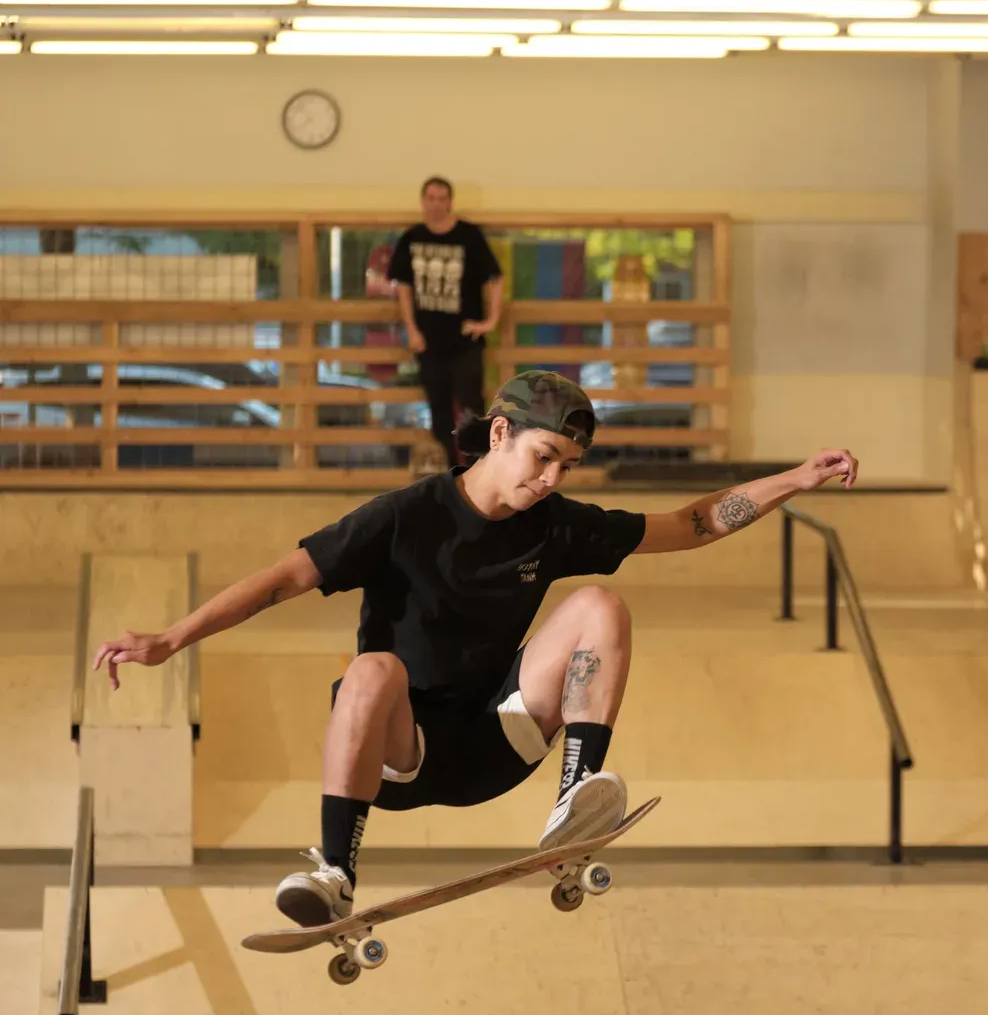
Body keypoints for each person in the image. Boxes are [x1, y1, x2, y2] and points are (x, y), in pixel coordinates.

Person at [91, 371, 858, 930]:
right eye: (543, 458)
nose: (551, 479)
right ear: (500, 435)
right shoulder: (404, 516)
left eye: (567, 468)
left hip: (500, 738)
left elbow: (689, 525)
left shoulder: (554, 525)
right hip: (402, 751)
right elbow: (281, 581)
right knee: (371, 669)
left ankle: (573, 802)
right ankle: (334, 873)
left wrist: (796, 477)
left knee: (600, 604)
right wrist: (169, 639)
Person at [389, 176, 504, 471]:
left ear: (450, 202)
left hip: (465, 339)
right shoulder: (412, 238)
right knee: (438, 411)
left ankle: (481, 466)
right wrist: (412, 330)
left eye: (442, 198)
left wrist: (489, 321)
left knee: (471, 407)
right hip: (428, 341)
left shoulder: (468, 236)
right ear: (423, 201)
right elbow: (403, 287)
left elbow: (495, 278)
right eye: (431, 197)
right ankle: (452, 472)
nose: (436, 204)